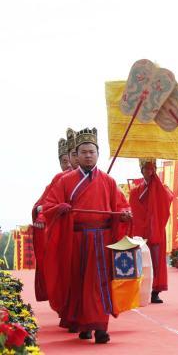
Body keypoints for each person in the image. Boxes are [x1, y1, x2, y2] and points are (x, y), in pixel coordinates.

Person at [42, 127, 131, 343]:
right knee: (79, 281)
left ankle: (100, 327)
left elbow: (121, 206)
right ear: (77, 155)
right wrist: (60, 208)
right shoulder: (65, 181)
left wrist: (125, 215)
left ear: (98, 154)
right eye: (83, 152)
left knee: (99, 282)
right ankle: (84, 324)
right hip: (76, 239)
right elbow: (48, 206)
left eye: (92, 151)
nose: (88, 155)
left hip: (101, 238)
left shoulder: (109, 181)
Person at [32, 135, 74, 301]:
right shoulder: (59, 179)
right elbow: (44, 204)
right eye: (64, 161)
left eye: (71, 159)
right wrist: (42, 216)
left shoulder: (96, 178)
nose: (68, 165)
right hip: (61, 231)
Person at [129, 158, 173, 304]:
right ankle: (140, 290)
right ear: (141, 171)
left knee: (156, 260)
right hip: (141, 229)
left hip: (156, 229)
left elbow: (167, 200)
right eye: (146, 169)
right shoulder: (136, 191)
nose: (149, 171)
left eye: (152, 168)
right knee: (142, 261)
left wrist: (156, 186)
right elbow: (135, 210)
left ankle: (155, 291)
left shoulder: (162, 189)